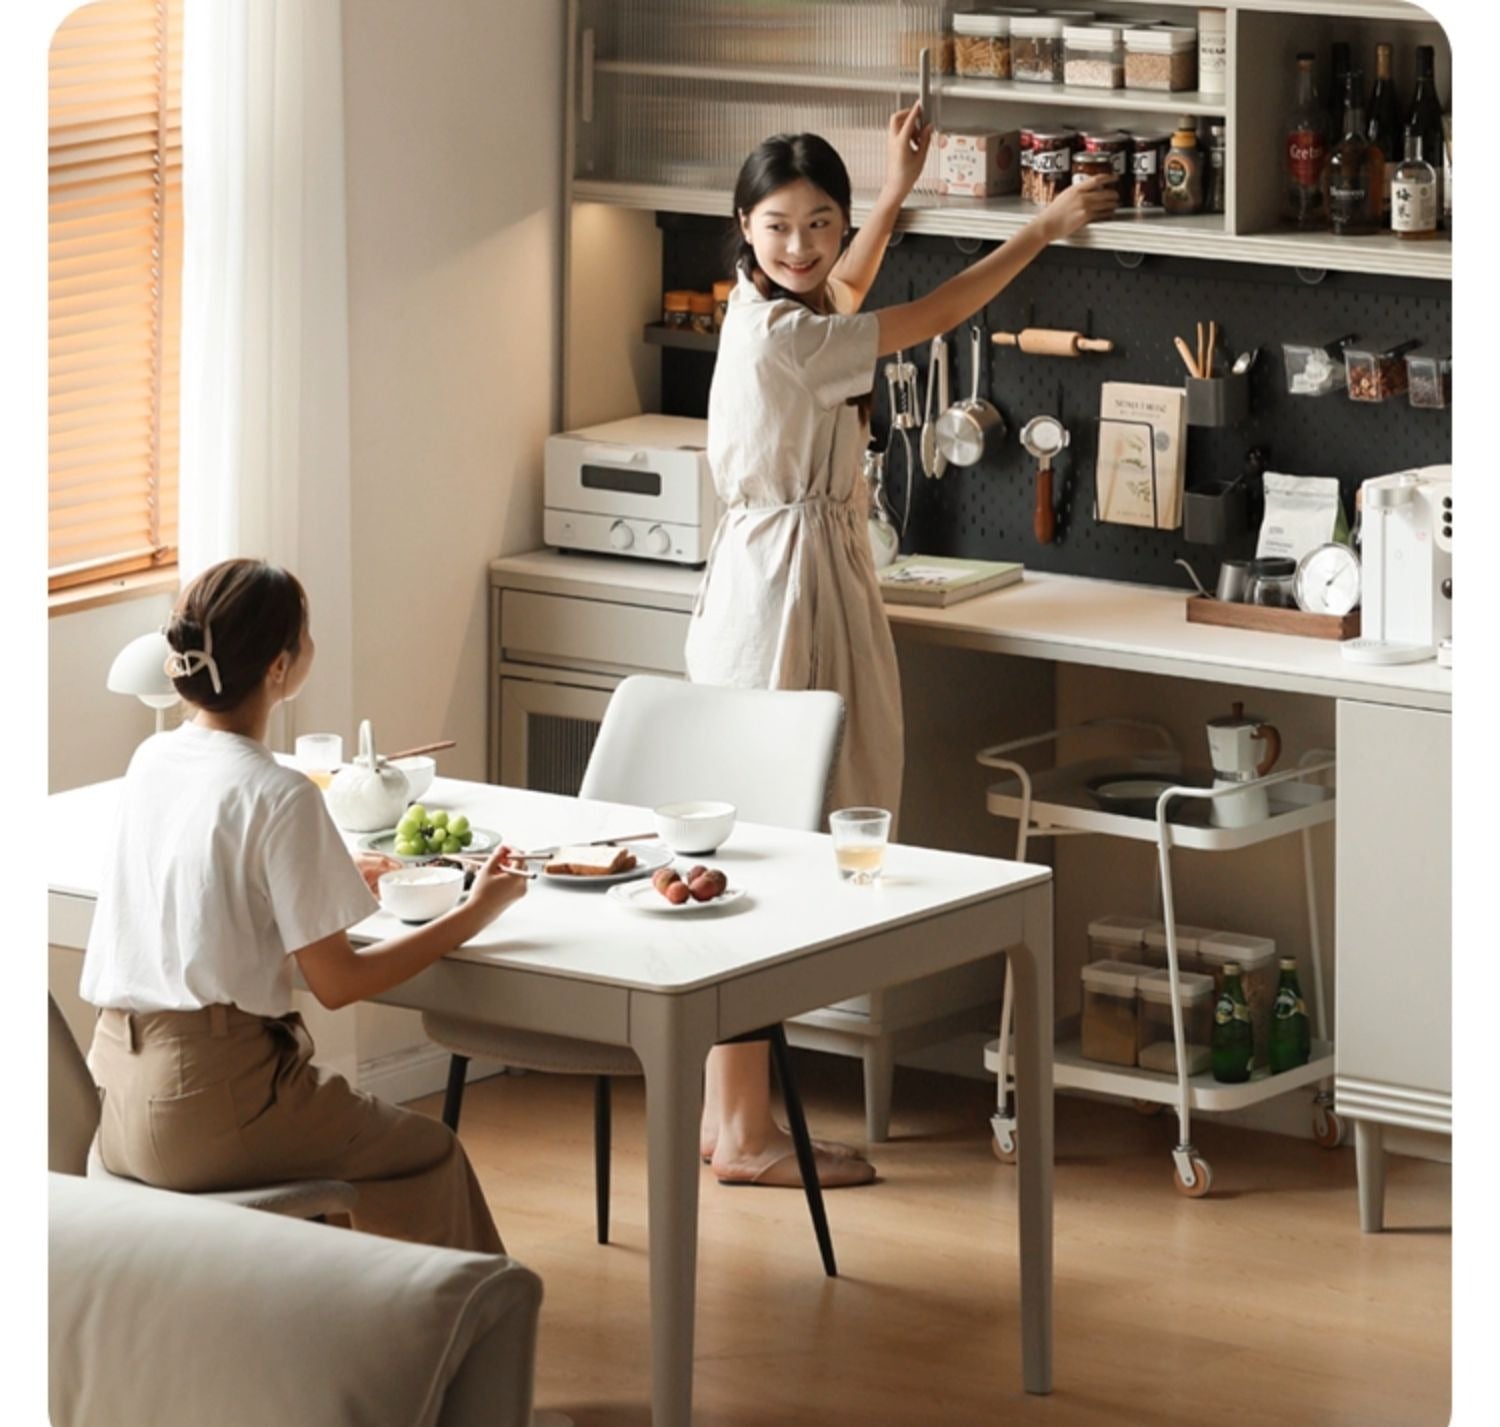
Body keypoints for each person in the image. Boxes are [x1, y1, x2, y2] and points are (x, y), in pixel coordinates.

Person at [688, 109, 1116, 1189]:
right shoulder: (788, 336)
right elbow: (925, 314)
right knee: (775, 860)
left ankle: (727, 1116)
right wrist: (1045, 226)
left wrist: (892, 193)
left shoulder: (772, 308)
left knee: (759, 851)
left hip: (779, 579)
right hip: (789, 595)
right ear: (744, 224)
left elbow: (848, 294)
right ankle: (744, 1133)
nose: (803, 245)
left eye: (820, 224)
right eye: (780, 225)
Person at [80, 558, 528, 1252]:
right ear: (281, 667)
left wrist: (326, 877)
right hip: (215, 1105)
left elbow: (207, 900)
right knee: (428, 1153)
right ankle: (466, 1353)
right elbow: (339, 982)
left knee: (352, 1164)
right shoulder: (280, 791)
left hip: (117, 1099)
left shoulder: (152, 761)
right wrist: (475, 910)